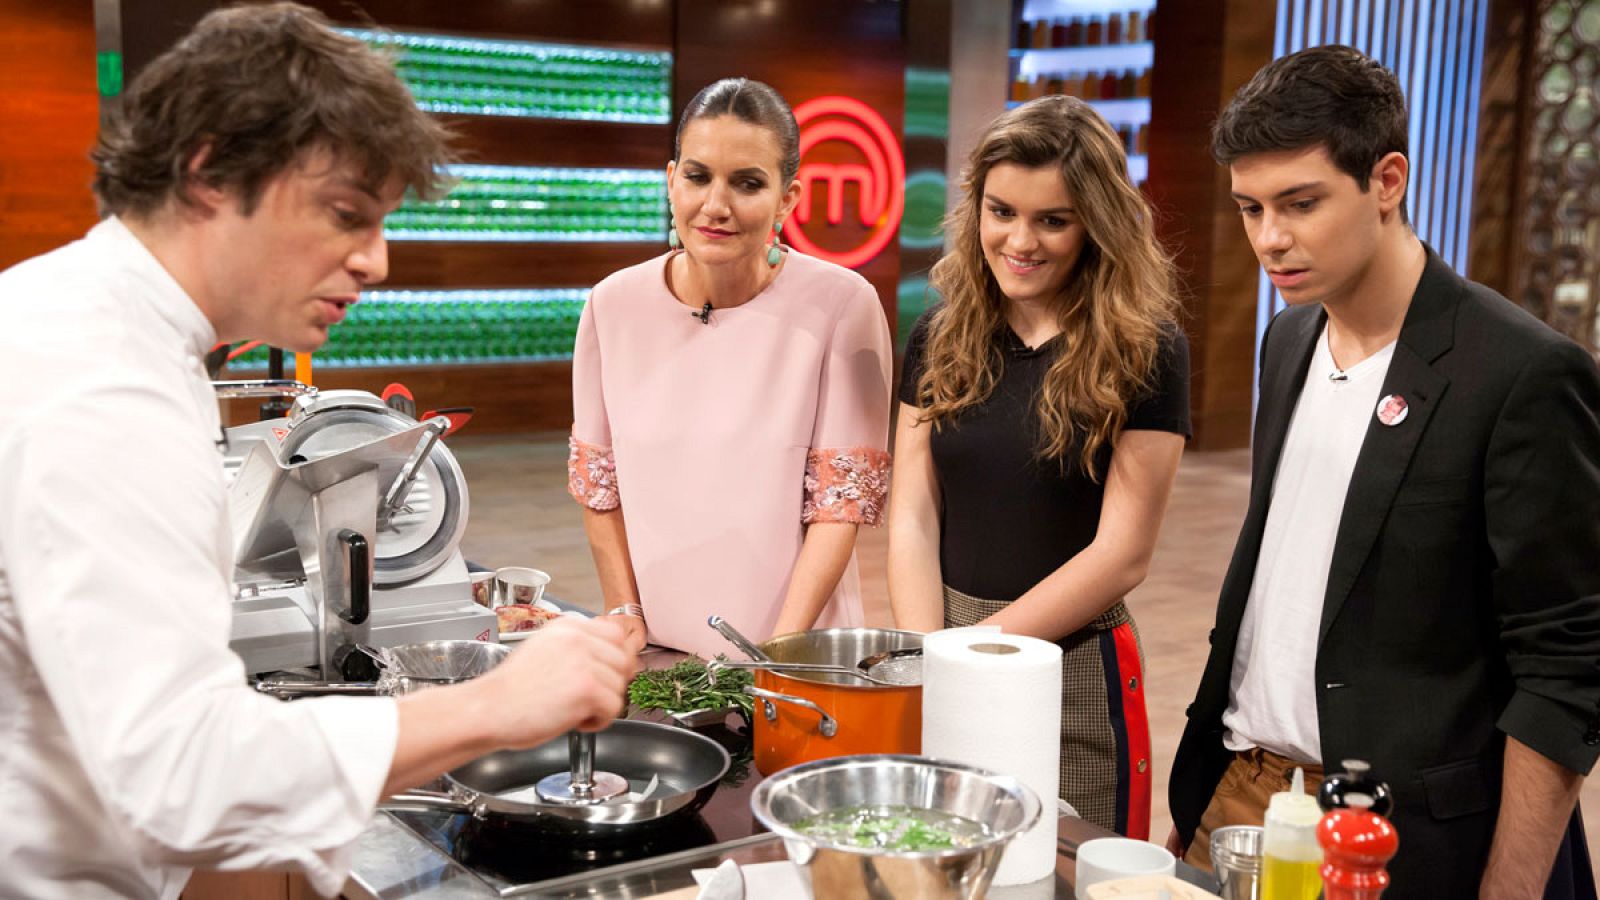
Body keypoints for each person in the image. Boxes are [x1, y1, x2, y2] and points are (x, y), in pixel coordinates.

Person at [0, 6, 635, 898]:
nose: (376, 262)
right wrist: (493, 705)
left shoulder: (78, 318)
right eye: (346, 214)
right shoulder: (105, 385)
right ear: (210, 170)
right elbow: (181, 775)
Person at [1167, 45, 1600, 899]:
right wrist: (1209, 793)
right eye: (1251, 208)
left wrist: (1510, 888)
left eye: (1301, 203)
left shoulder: (1521, 372)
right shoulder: (1288, 338)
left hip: (1402, 830)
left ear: (1387, 179)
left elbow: (1567, 664)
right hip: (1243, 791)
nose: (1270, 239)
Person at [887, 95, 1190, 838]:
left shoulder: (1147, 347)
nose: (1019, 240)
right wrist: (933, 653)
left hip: (1073, 661)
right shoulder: (939, 332)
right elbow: (914, 511)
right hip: (944, 638)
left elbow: (1123, 555)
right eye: (1001, 212)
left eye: (1052, 220)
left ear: (1097, 224)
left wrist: (973, 657)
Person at [568, 78, 893, 659]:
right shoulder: (610, 304)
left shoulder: (843, 305)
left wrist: (777, 656)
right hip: (656, 648)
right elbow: (598, 486)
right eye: (698, 177)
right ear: (671, 180)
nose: (715, 206)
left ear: (788, 198)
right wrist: (625, 612)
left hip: (796, 651)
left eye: (747, 183)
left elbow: (838, 509)